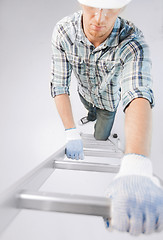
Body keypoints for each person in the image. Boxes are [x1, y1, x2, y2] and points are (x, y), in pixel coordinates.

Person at [50, 0, 163, 235]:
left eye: (109, 8)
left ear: (122, 7)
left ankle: (97, 124)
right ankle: (88, 115)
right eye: (92, 6)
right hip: (85, 95)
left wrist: (136, 164)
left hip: (108, 105)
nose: (99, 18)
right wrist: (70, 131)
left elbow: (137, 92)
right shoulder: (63, 31)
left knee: (101, 134)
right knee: (88, 110)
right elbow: (60, 85)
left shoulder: (132, 42)